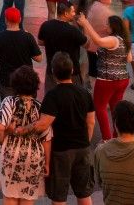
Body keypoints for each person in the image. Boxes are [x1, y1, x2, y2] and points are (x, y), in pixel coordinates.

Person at [31, 52, 95, 205]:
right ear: (72, 70)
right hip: (82, 147)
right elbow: (91, 121)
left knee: (59, 196)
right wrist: (86, 140)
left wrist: (20, 130)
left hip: (61, 150)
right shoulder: (84, 93)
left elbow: (43, 124)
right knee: (84, 193)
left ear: (53, 72)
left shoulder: (52, 96)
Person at [0, 65, 52, 205]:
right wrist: (47, 163)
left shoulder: (9, 102)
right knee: (27, 197)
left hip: (10, 154)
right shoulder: (40, 107)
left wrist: (6, 132)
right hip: (34, 156)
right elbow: (46, 138)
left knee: (10, 196)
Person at [77, 12, 131, 141]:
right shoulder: (125, 41)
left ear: (113, 27)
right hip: (122, 79)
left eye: (107, 24)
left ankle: (107, 139)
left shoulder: (113, 39)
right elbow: (129, 59)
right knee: (115, 108)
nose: (105, 26)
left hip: (107, 80)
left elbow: (98, 41)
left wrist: (86, 23)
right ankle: (116, 136)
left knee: (100, 107)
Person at [0, 7, 43, 100]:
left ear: (6, 20)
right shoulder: (28, 37)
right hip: (26, 80)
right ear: (20, 19)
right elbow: (39, 58)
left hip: (7, 79)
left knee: (8, 108)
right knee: (27, 109)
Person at [38, 1, 86, 89]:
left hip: (52, 71)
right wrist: (85, 25)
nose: (74, 14)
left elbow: (40, 42)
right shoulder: (73, 31)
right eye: (73, 11)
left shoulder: (46, 25)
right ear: (66, 13)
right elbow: (86, 44)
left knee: (52, 98)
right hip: (71, 73)